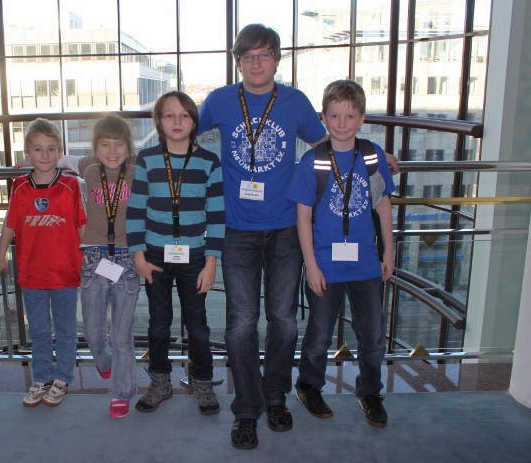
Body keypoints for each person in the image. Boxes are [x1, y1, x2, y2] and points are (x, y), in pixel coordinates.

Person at [197, 23, 328, 450]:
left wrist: (374, 157)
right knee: (240, 323)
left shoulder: (295, 101)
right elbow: (181, 136)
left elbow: (328, 144)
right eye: (248, 56)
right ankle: (246, 409)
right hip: (236, 228)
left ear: (276, 59)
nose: (256, 63)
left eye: (264, 55)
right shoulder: (219, 100)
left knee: (284, 320)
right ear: (238, 62)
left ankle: (275, 398)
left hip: (287, 227)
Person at [287, 79, 395, 428]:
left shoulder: (372, 156)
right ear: (323, 118)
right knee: (318, 334)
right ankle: (309, 386)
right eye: (334, 116)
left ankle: (370, 392)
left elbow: (383, 206)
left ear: (362, 118)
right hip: (325, 266)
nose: (342, 123)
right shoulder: (313, 161)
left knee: (372, 336)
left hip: (366, 265)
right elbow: (303, 216)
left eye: (350, 116)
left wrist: (389, 252)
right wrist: (311, 265)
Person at [127, 90, 225, 417]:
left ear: (194, 121)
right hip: (154, 255)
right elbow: (136, 210)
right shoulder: (147, 159)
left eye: (184, 115)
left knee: (198, 325)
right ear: (159, 122)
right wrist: (138, 256)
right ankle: (160, 382)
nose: (177, 121)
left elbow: (217, 216)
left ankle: (202, 381)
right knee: (158, 323)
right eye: (169, 115)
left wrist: (211, 262)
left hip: (195, 256)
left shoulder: (209, 162)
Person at [0, 118, 86, 409]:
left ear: (60, 152)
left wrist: (88, 257)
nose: (45, 155)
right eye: (38, 149)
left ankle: (63, 378)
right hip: (32, 273)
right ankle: (41, 378)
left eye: (51, 149)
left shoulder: (70, 185)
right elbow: (11, 222)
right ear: (27, 153)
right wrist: (1, 254)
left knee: (66, 330)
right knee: (39, 331)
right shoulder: (20, 186)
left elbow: (81, 225)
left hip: (65, 272)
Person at [56, 114, 140, 419]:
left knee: (122, 337)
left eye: (119, 144)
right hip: (94, 260)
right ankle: (105, 363)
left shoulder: (138, 168)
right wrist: (32, 163)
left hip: (128, 259)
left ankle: (121, 393)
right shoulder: (89, 166)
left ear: (129, 147)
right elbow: (60, 159)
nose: (112, 151)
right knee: (92, 332)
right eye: (105, 144)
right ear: (95, 147)